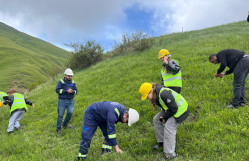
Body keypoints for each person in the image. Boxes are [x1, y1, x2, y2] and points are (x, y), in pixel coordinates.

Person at [139, 82, 190, 161]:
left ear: (151, 91)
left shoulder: (164, 94)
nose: (146, 98)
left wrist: (165, 117)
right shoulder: (155, 94)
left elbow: (174, 109)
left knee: (169, 127)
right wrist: (163, 116)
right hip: (171, 109)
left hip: (181, 110)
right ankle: (162, 142)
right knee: (156, 119)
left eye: (146, 96)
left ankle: (170, 154)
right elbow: (167, 106)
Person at [55, 68, 77, 135]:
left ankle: (65, 124)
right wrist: (66, 91)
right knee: (60, 115)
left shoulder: (73, 82)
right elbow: (57, 90)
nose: (70, 77)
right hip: (62, 101)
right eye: (68, 76)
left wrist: (72, 91)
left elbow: (76, 91)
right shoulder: (60, 81)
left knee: (70, 112)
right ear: (65, 75)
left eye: (71, 76)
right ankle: (58, 129)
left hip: (70, 100)